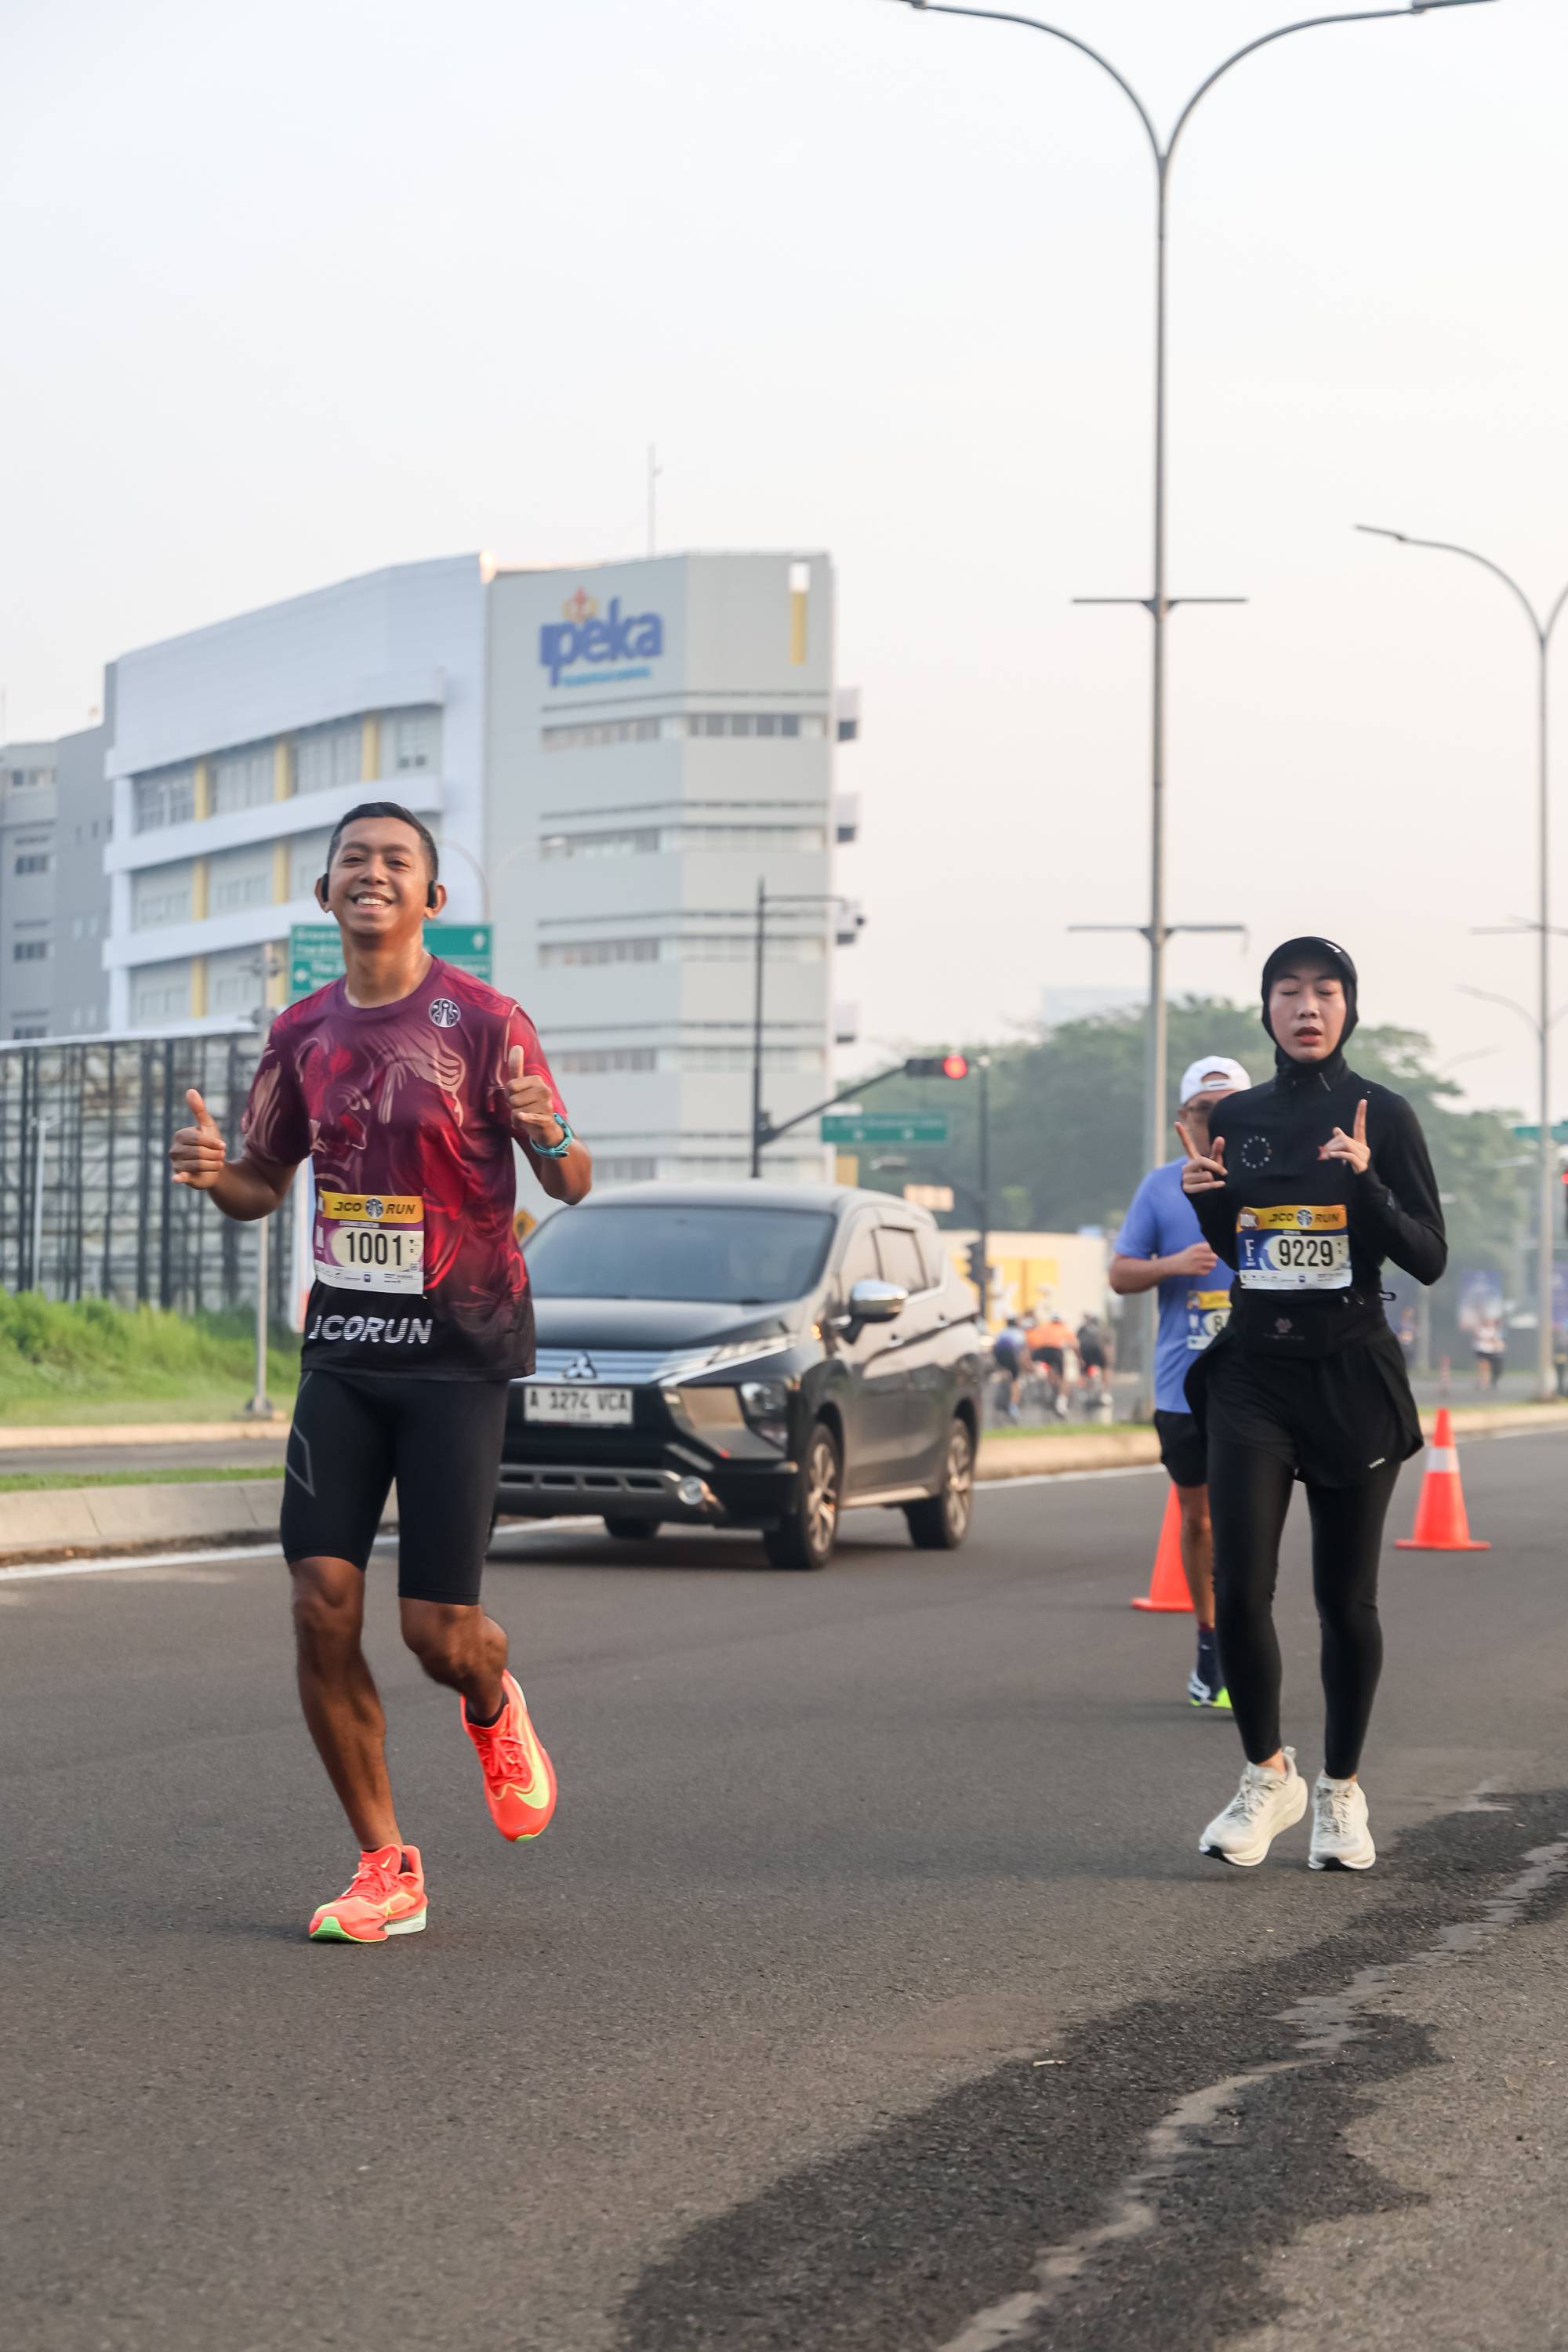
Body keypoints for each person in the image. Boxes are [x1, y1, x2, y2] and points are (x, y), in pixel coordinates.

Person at [169, 801, 593, 1941]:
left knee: (437, 1635)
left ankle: (492, 1702)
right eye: (352, 859)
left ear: (431, 898)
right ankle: (384, 1866)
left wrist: (548, 1133)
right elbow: (263, 1181)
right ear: (326, 895)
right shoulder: (302, 1032)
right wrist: (215, 1176)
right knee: (319, 1602)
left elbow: (572, 1181)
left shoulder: (488, 1022)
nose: (372, 873)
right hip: (345, 1353)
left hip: (460, 1352)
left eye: (396, 860)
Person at [1178, 938, 1445, 1873]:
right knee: (1239, 1585)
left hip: (1349, 1373)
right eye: (1286, 990)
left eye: (1323, 991)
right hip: (1253, 1368)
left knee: (1344, 1600)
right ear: (1265, 1008)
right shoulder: (1236, 1117)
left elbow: (1426, 1256)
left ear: (1347, 1008)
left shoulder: (1384, 1113)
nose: (1305, 1006)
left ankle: (1339, 1789)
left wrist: (1365, 1182)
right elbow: (1241, 1248)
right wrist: (1205, 1200)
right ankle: (1266, 1774)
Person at [1111, 1054, 1251, 1708]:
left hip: (1258, 1382)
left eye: (1232, 1109)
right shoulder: (1161, 1187)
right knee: (1201, 1520)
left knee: (1249, 1522)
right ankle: (1210, 1640)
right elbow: (1120, 1273)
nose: (1217, 1121)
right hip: (1182, 1384)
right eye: (1205, 1111)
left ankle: (1247, 1643)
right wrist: (1171, 1265)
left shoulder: (1275, 1178)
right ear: (1183, 1120)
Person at [1028, 1308, 1076, 1417]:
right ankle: (1061, 1404)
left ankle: (1043, 1383)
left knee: (1047, 1370)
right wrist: (1079, 1359)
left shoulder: (1044, 1327)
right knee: (1063, 1378)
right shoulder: (1064, 1328)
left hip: (1040, 1352)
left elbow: (1033, 1341)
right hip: (1055, 1351)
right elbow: (1074, 1346)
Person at [991, 1314, 1032, 1421]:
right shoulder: (1020, 1333)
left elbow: (994, 1346)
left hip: (998, 1355)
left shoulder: (1001, 1332)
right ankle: (1013, 1407)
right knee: (1016, 1381)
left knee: (1004, 1371)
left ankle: (1002, 1379)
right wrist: (1028, 1366)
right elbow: (1023, 1354)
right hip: (1011, 1354)